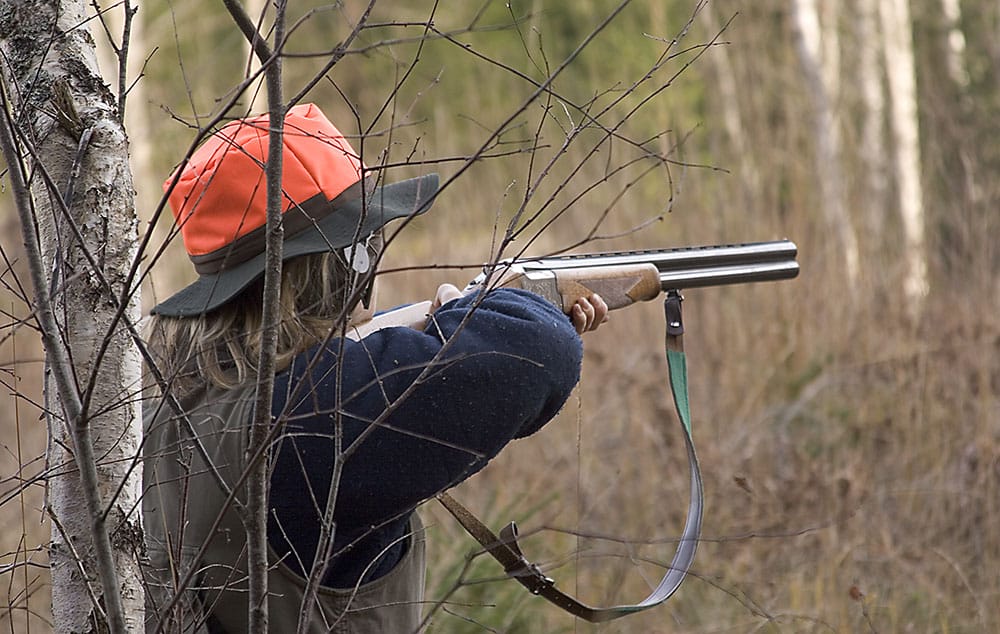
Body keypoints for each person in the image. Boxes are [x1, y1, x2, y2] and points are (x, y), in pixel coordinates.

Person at [142, 103, 608, 633]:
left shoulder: (185, 397)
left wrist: (444, 319)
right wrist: (484, 309)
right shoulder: (315, 410)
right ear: (349, 264)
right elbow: (538, 350)